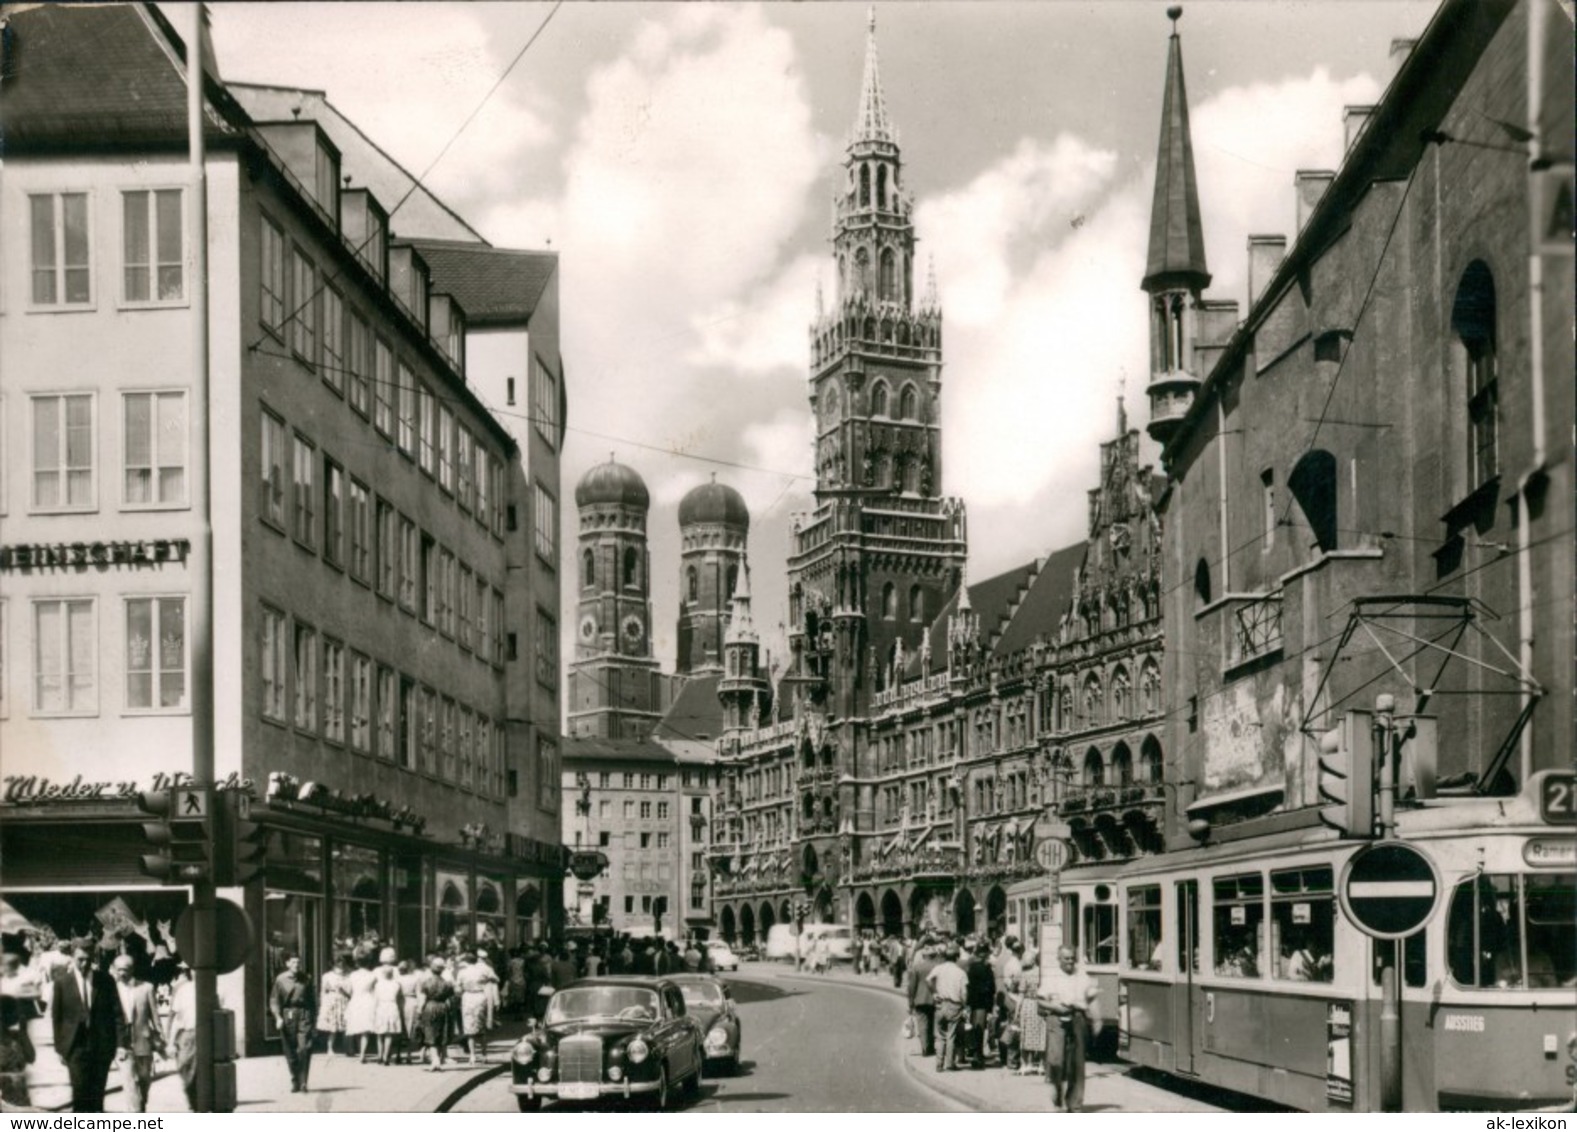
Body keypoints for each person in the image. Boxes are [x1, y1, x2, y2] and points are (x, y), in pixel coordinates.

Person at [50, 942, 122, 1112]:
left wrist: (120, 1045)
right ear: (72, 958)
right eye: (80, 959)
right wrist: (60, 1048)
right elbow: (56, 1017)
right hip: (75, 1046)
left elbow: (117, 1013)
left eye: (88, 960)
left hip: (102, 1046)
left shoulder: (105, 980)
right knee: (80, 1093)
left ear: (93, 959)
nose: (84, 964)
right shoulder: (62, 983)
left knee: (97, 1096)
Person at [1040, 947, 1102, 1112]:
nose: (1070, 962)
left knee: (1077, 1063)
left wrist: (1097, 1019)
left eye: (1072, 958)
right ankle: (1057, 1094)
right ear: (1058, 959)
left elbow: (1092, 997)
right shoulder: (1051, 976)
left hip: (1077, 1018)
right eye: (1066, 958)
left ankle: (1075, 1104)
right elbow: (1040, 1001)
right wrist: (1056, 1007)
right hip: (1057, 1017)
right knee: (1056, 1061)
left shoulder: (1082, 976)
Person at [110, 955, 162, 1113]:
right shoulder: (112, 990)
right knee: (130, 1084)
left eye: (125, 970)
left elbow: (155, 1017)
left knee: (144, 1082)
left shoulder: (146, 988)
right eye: (118, 970)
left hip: (143, 1041)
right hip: (122, 1043)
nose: (121, 973)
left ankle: (141, 1106)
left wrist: (160, 1041)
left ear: (132, 970)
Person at [270, 954, 316, 1094]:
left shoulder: (306, 978)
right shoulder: (281, 979)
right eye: (293, 962)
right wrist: (278, 1017)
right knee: (290, 1050)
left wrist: (313, 1020)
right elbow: (274, 1000)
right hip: (288, 1014)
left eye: (298, 962)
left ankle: (303, 1082)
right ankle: (295, 1079)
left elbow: (312, 1001)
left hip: (303, 1014)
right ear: (287, 963)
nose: (296, 964)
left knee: (304, 1048)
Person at [926, 943, 969, 1073]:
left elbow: (928, 980)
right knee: (951, 1036)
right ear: (956, 957)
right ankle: (950, 1064)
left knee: (939, 1036)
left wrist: (934, 993)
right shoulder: (961, 972)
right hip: (954, 1005)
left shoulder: (939, 968)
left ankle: (939, 1064)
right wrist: (965, 1005)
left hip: (940, 1004)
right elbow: (964, 993)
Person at [164, 967, 199, 1110]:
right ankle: (193, 1099)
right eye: (194, 969)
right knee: (184, 1067)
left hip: (207, 1034)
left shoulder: (214, 987)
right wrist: (170, 1042)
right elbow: (176, 1018)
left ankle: (201, 1104)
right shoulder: (184, 990)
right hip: (187, 1035)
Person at [416, 956, 455, 1071]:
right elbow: (451, 998)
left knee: (430, 1033)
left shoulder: (426, 983)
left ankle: (435, 1060)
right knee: (441, 1033)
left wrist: (419, 1011)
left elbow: (422, 999)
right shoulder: (447, 984)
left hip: (430, 1006)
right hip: (443, 1007)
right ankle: (438, 1058)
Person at [963, 940, 997, 1068]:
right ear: (986, 954)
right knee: (980, 1030)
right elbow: (992, 988)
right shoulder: (987, 968)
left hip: (973, 1003)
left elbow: (969, 986)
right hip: (983, 1003)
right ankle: (978, 1056)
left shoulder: (971, 968)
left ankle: (974, 1053)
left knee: (975, 1028)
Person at [904, 939, 938, 1057]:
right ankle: (931, 1046)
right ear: (934, 955)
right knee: (932, 1024)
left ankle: (924, 1048)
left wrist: (910, 1002)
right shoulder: (938, 966)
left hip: (919, 999)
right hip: (934, 999)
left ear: (924, 955)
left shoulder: (917, 967)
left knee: (922, 1024)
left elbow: (911, 986)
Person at [316, 953, 352, 1060]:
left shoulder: (349, 975)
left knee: (347, 1026)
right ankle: (330, 1048)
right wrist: (322, 1005)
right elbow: (323, 991)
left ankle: (348, 1048)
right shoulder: (327, 976)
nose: (340, 966)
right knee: (333, 1027)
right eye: (338, 963)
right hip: (331, 1001)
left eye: (342, 963)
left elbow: (351, 991)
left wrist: (344, 990)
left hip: (344, 1000)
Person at [343, 952, 378, 1063]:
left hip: (356, 1000)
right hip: (368, 1000)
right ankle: (362, 1053)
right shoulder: (372, 975)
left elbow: (349, 990)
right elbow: (374, 990)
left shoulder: (353, 975)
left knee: (358, 1027)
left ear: (357, 962)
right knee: (365, 1029)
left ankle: (360, 1053)